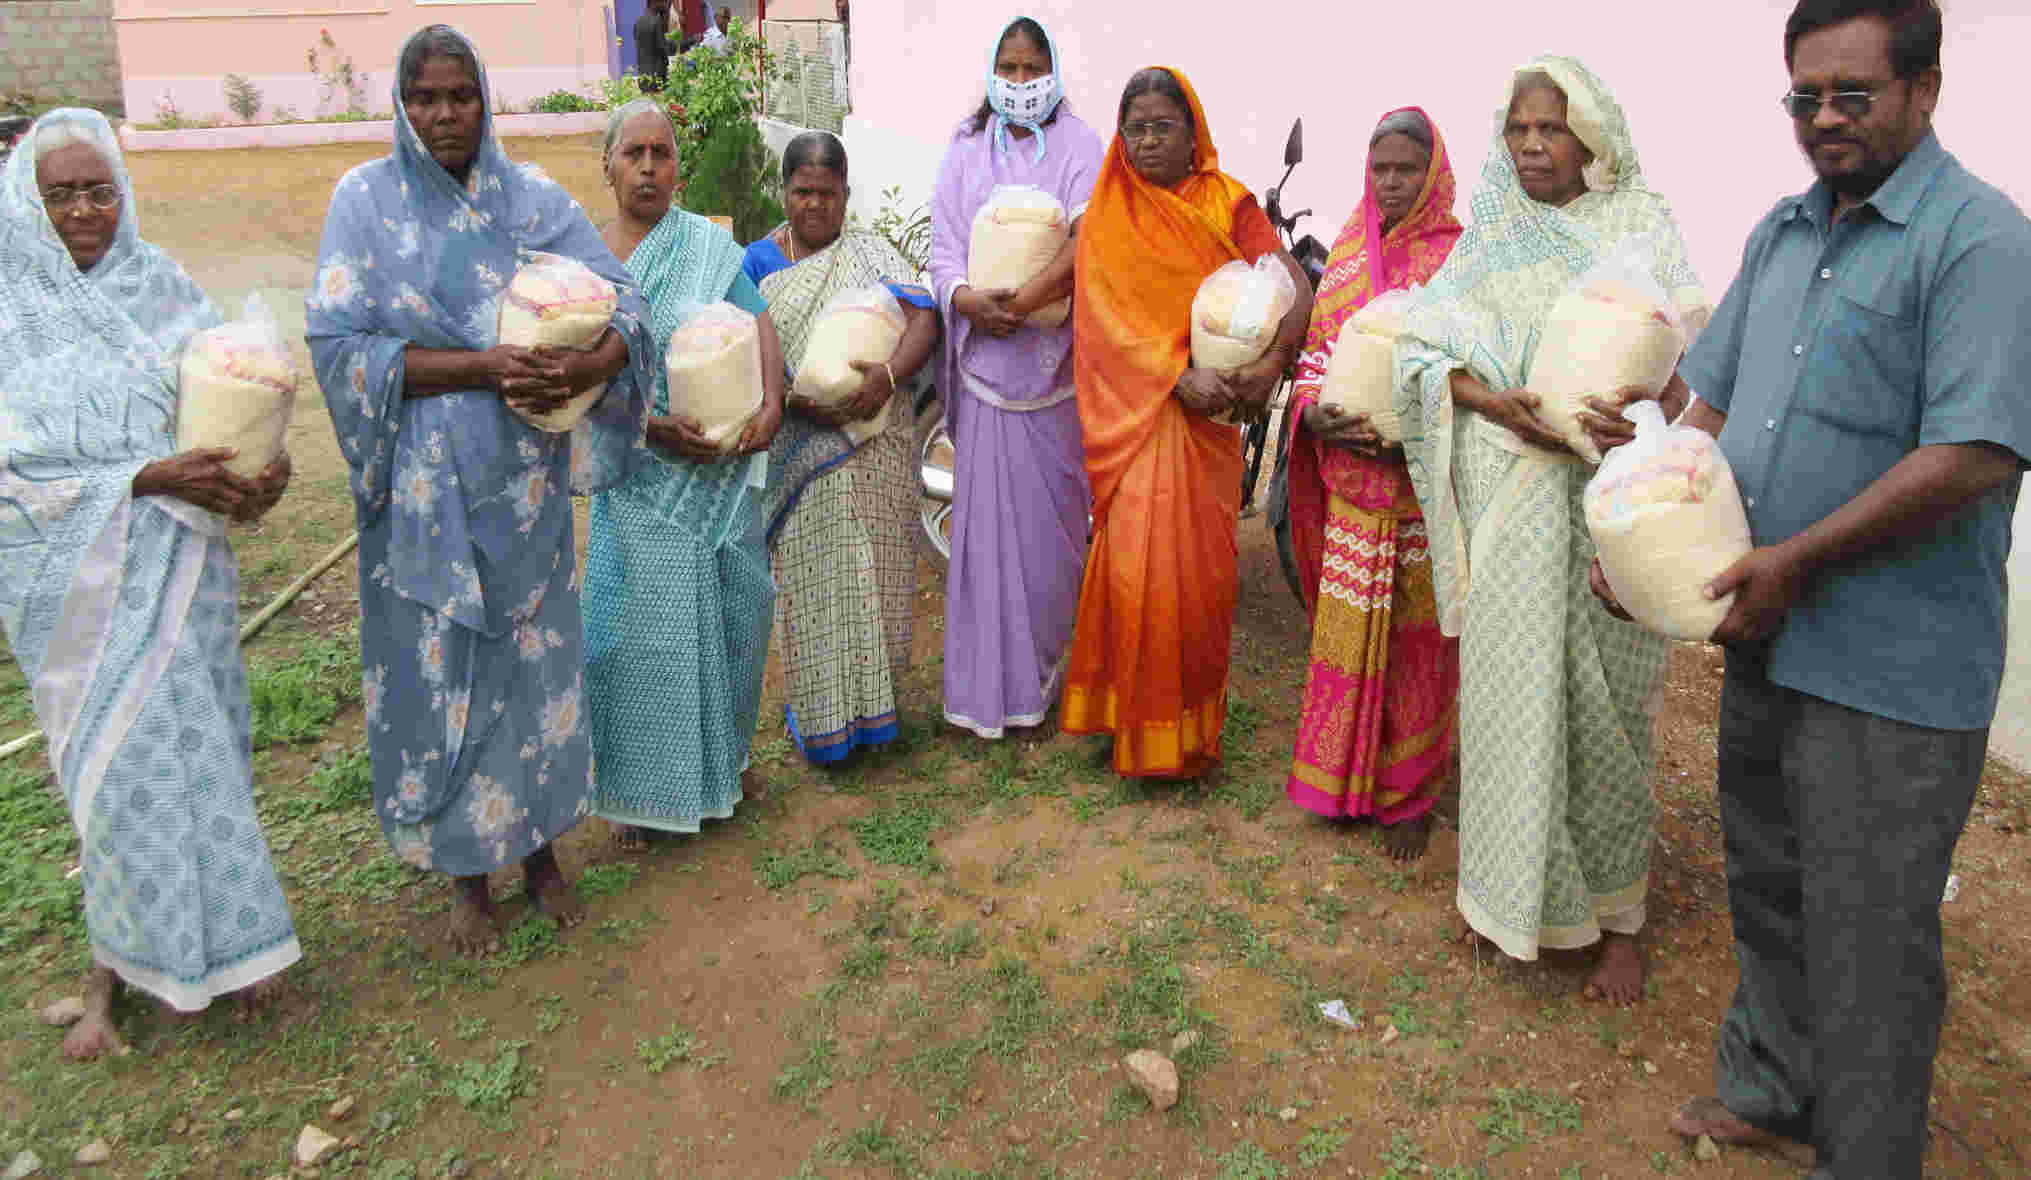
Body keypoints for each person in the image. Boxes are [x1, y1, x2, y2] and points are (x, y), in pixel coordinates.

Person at [1606, 2, 2030, 1173]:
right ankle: (1776, 1088)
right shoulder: (1784, 234)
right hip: (1768, 640)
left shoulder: (1980, 240)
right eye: (1807, 96)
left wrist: (1796, 562)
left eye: (1855, 93)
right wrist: (1641, 525)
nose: (1826, 118)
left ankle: (1868, 1153)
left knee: (1873, 938)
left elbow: (1977, 451)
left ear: (1925, 90)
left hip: (1891, 668)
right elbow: (1709, 405)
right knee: (1774, 887)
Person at [306, 25, 653, 953]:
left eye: (460, 95)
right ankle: (467, 876)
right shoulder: (364, 204)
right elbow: (339, 349)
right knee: (442, 674)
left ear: (485, 98)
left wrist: (594, 362)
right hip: (422, 500)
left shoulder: (528, 197)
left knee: (531, 671)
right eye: (424, 97)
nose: (443, 114)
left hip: (522, 492)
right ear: (400, 103)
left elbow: (627, 298)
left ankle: (540, 856)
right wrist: (480, 366)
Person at [1395, 57, 1709, 1003]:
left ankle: (1617, 922)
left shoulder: (1640, 229)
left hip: (1607, 521)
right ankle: (1506, 896)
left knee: (1609, 718)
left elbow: (1692, 384)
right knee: (1509, 705)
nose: (1532, 145)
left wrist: (1648, 408)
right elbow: (1421, 351)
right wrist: (1499, 404)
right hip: (1513, 507)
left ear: (1592, 137)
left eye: (1552, 128)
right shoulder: (1490, 240)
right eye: (1519, 129)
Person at [0, 109, 300, 1057]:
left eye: (100, 189)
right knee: (117, 778)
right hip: (76, 599)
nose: (85, 209)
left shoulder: (165, 288)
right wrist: (142, 479)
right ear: (26, 201)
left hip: (183, 574)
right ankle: (115, 971)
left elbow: (234, 398)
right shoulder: (7, 309)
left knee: (207, 753)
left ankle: (234, 955)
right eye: (61, 194)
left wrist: (260, 472)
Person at [1061, 67, 1313, 779]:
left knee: (1197, 581)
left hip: (1210, 424)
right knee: (1138, 572)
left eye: (1161, 126)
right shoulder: (1108, 209)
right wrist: (1174, 375)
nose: (1145, 141)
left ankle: (1181, 732)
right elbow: (1101, 322)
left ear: (1191, 130)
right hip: (1140, 419)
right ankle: (1127, 722)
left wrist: (1267, 371)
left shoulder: (1225, 202)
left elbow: (1289, 280)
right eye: (1134, 127)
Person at [585, 99, 786, 847]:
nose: (647, 167)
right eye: (632, 153)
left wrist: (769, 404)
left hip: (723, 472)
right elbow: (581, 380)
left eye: (660, 154)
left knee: (741, 610)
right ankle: (640, 794)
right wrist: (653, 429)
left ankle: (725, 763)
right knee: (642, 634)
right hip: (642, 475)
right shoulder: (589, 262)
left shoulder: (703, 244)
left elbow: (756, 317)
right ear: (607, 166)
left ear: (677, 166)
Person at [1282, 107, 1462, 861]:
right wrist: (1313, 416)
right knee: (1348, 633)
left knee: (1417, 645)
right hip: (1352, 482)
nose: (1390, 183)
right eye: (1379, 168)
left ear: (1434, 174)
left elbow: (1469, 364)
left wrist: (1410, 431)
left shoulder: (1459, 260)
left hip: (1420, 491)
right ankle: (1339, 780)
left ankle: (1409, 792)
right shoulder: (1351, 252)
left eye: (1405, 169)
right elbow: (1316, 356)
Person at [927, 17, 1103, 740]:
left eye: (1034, 69)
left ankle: (1048, 674)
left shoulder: (1081, 146)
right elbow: (942, 248)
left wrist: (1028, 303)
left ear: (1054, 72)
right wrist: (967, 300)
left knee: (1051, 536)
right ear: (994, 72)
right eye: (1012, 68)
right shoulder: (965, 149)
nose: (1022, 83)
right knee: (988, 540)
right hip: (984, 368)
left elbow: (1089, 239)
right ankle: (989, 693)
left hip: (1055, 371)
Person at [741, 131, 938, 765]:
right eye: (802, 192)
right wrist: (799, 400)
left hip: (871, 441)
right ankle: (822, 718)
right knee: (814, 585)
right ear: (785, 192)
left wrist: (882, 379)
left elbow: (924, 318)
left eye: (827, 194)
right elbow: (744, 348)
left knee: (873, 578)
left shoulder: (872, 253)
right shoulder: (756, 265)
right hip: (801, 448)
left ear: (847, 195)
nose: (815, 206)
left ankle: (875, 717)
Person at [633, 0, 671, 90]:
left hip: (643, 78)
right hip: (657, 78)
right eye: (664, 1)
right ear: (654, 2)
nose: (666, 4)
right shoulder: (656, 21)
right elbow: (663, 48)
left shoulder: (638, 22)